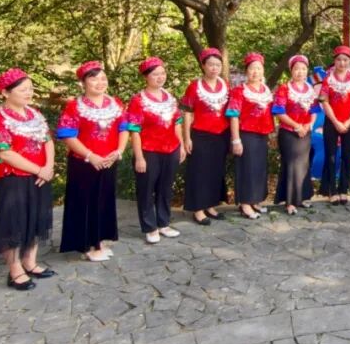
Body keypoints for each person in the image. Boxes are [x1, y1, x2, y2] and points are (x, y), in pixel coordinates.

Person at [0, 68, 56, 290]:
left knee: (37, 218)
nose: (29, 93)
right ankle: (15, 271)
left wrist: (48, 167)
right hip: (14, 178)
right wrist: (38, 169)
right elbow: (5, 153)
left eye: (30, 89)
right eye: (23, 90)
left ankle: (30, 262)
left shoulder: (35, 114)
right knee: (13, 223)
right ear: (5, 92)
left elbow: (48, 141)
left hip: (41, 175)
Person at [57, 61, 127, 261]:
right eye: (94, 79)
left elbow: (123, 128)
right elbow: (67, 135)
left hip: (109, 160)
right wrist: (90, 156)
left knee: (105, 201)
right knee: (85, 203)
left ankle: (100, 241)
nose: (100, 82)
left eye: (103, 78)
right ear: (83, 83)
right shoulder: (74, 106)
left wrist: (119, 151)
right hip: (84, 163)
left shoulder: (115, 103)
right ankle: (87, 245)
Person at [126, 56, 184, 243]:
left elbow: (177, 123)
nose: (160, 77)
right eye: (155, 74)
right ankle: (150, 227)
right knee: (146, 189)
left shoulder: (170, 98)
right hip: (148, 150)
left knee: (166, 188)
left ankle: (163, 223)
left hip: (171, 149)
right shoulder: (138, 101)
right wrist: (139, 157)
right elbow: (134, 131)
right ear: (146, 77)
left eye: (162, 73)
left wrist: (181, 145)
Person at [180, 47, 230, 225]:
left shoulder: (225, 85)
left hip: (222, 134)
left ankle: (211, 205)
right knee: (199, 172)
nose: (214, 68)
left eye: (218, 65)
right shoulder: (194, 86)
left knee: (216, 171)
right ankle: (198, 209)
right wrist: (187, 138)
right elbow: (187, 113)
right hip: (200, 134)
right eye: (211, 64)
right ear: (203, 66)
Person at [226, 52, 275, 220]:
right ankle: (245, 203)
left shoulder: (265, 91)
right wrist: (236, 140)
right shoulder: (239, 91)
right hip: (246, 134)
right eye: (252, 68)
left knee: (259, 168)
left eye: (259, 68)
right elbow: (233, 115)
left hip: (262, 135)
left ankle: (255, 200)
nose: (256, 72)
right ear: (246, 71)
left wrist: (272, 133)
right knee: (246, 168)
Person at [273, 55, 319, 215]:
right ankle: (290, 202)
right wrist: (296, 126)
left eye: (303, 69)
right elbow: (279, 111)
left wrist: (308, 125)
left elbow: (314, 110)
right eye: (297, 69)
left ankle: (302, 197)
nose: (300, 72)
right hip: (289, 133)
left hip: (305, 132)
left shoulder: (310, 89)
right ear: (291, 71)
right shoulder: (284, 88)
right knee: (291, 165)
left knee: (303, 164)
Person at [319, 46, 350, 205]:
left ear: (349, 61)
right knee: (331, 156)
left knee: (347, 155)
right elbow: (324, 102)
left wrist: (349, 120)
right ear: (335, 61)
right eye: (339, 59)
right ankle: (331, 190)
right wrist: (336, 122)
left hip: (349, 122)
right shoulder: (328, 79)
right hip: (331, 122)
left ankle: (343, 189)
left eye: (345, 60)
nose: (342, 63)